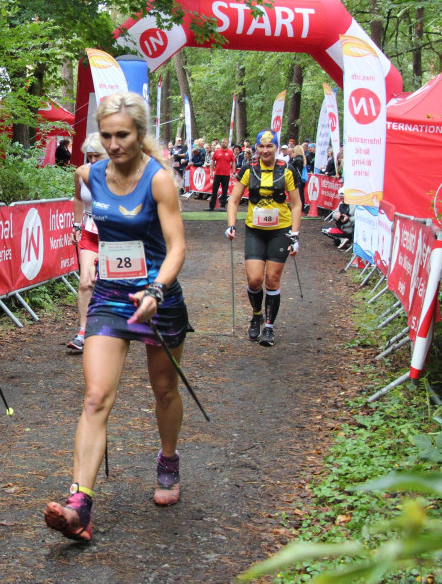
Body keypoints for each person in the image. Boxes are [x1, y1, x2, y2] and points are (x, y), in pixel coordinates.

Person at [44, 91, 191, 542]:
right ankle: (79, 505)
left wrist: (156, 289)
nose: (113, 144)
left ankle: (168, 461)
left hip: (156, 296)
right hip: (110, 295)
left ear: (140, 133)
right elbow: (84, 224)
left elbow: (178, 245)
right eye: (106, 136)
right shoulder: (87, 174)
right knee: (95, 397)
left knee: (164, 389)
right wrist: (86, 255)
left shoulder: (159, 180)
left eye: (122, 135)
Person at [224, 130, 303, 347]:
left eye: (270, 147)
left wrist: (295, 234)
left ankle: (269, 327)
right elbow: (233, 200)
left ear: (277, 148)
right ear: (256, 148)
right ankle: (256, 314)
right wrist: (231, 224)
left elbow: (296, 205)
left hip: (281, 230)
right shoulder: (249, 169)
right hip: (255, 230)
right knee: (255, 280)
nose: (265, 151)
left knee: (272, 280)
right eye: (261, 147)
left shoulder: (287, 170)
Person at [69, 133, 108, 351]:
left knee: (109, 282)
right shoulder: (81, 173)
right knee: (86, 282)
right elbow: (77, 198)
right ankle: (83, 332)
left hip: (113, 235)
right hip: (90, 233)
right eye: (89, 156)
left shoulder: (117, 175)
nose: (92, 161)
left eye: (97, 156)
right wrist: (76, 225)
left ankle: (111, 328)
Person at [210, 138, 235, 212]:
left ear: (227, 143)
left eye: (225, 142)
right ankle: (212, 206)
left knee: (224, 190)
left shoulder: (230, 152)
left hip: (226, 174)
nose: (223, 143)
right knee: (214, 190)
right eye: (222, 142)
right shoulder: (217, 152)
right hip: (217, 173)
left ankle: (223, 206)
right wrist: (211, 171)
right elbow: (212, 161)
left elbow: (233, 162)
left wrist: (233, 172)